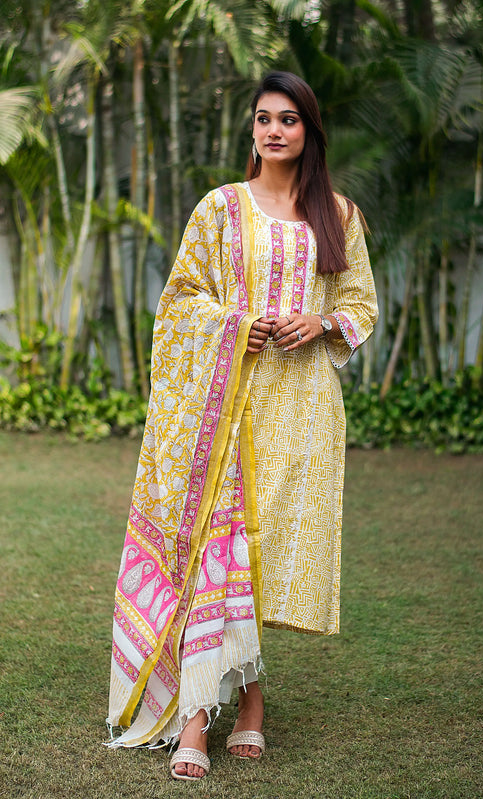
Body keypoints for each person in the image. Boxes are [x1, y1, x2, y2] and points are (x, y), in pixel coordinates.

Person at [107, 71, 378, 781]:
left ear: (308, 131)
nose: (274, 130)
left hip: (303, 411)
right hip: (225, 405)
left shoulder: (339, 215)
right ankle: (203, 712)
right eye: (263, 118)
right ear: (252, 129)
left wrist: (320, 321)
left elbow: (361, 304)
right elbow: (179, 300)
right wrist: (236, 324)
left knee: (256, 560)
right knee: (216, 552)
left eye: (288, 119)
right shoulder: (221, 209)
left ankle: (252, 696)